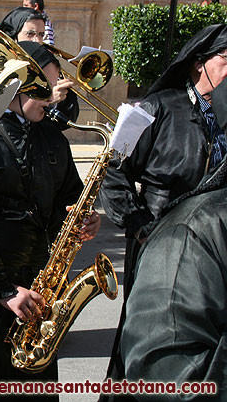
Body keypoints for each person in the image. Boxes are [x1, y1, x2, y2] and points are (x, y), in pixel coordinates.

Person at [0, 41, 101, 402]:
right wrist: (4, 291)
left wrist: (82, 219)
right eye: (44, 90)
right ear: (17, 86)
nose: (52, 99)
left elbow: (67, 198)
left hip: (37, 284)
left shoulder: (54, 139)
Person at [99, 23, 227, 400]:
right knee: (149, 332)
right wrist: (139, 224)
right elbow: (113, 170)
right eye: (226, 58)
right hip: (159, 239)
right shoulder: (155, 108)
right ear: (197, 64)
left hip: (212, 242)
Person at [0, 7, 79, 127]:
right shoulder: (1, 68)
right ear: (14, 36)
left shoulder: (47, 65)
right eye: (30, 34)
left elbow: (66, 122)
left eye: (41, 35)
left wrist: (56, 103)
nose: (37, 40)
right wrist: (47, 98)